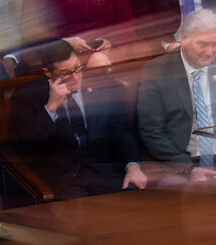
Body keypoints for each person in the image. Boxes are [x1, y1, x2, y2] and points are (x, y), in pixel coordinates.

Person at [8, 41, 145, 199]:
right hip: (62, 180)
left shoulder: (99, 84)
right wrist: (50, 108)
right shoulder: (28, 94)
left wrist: (133, 166)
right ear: (47, 72)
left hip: (103, 173)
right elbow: (21, 145)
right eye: (65, 73)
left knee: (135, 198)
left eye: (78, 68)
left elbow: (122, 132)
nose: (75, 77)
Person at [135, 10, 216, 181]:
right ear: (184, 39)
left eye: (215, 44)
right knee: (179, 193)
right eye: (203, 44)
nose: (210, 52)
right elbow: (151, 131)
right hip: (181, 162)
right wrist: (188, 169)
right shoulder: (156, 71)